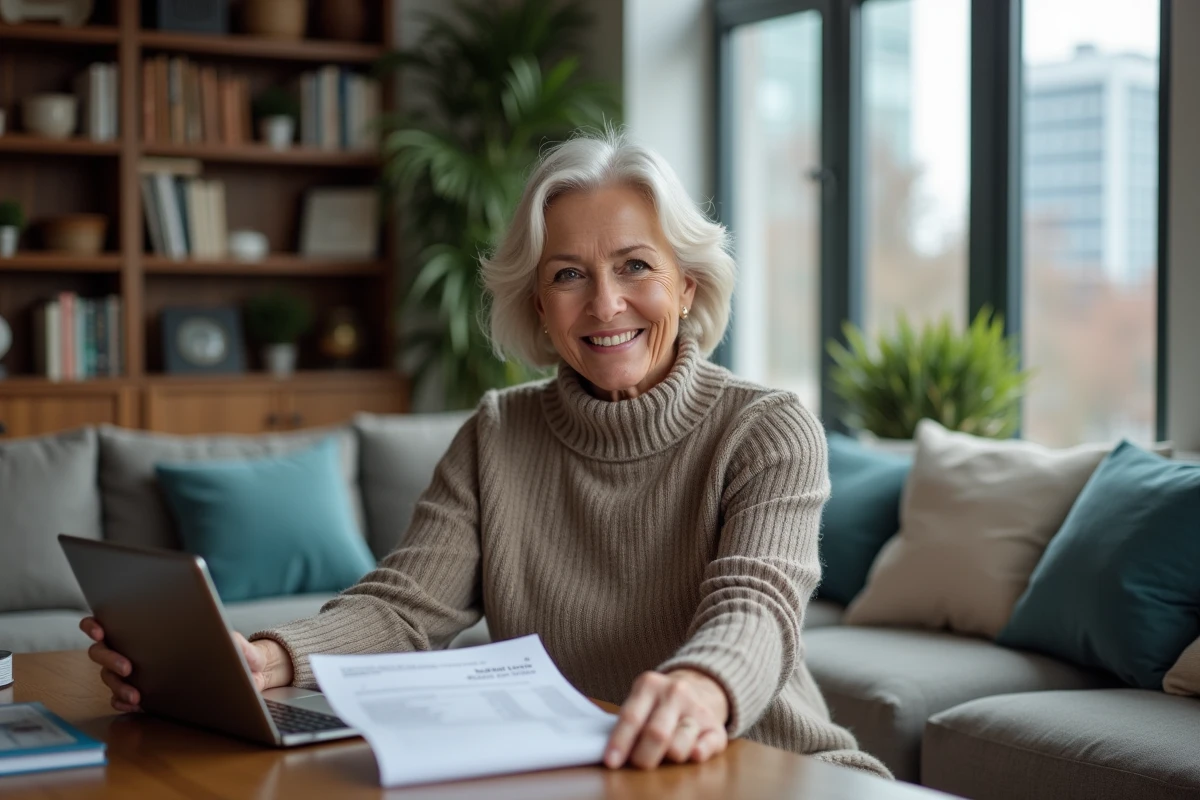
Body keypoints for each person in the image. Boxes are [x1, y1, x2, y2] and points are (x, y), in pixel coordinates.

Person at [82, 129, 890, 778]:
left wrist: (701, 687)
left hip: (768, 768)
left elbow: (755, 607)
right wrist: (261, 658)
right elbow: (403, 609)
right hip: (581, 775)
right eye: (569, 274)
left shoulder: (767, 428)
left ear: (685, 285)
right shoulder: (498, 434)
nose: (605, 303)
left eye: (636, 266)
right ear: (538, 304)